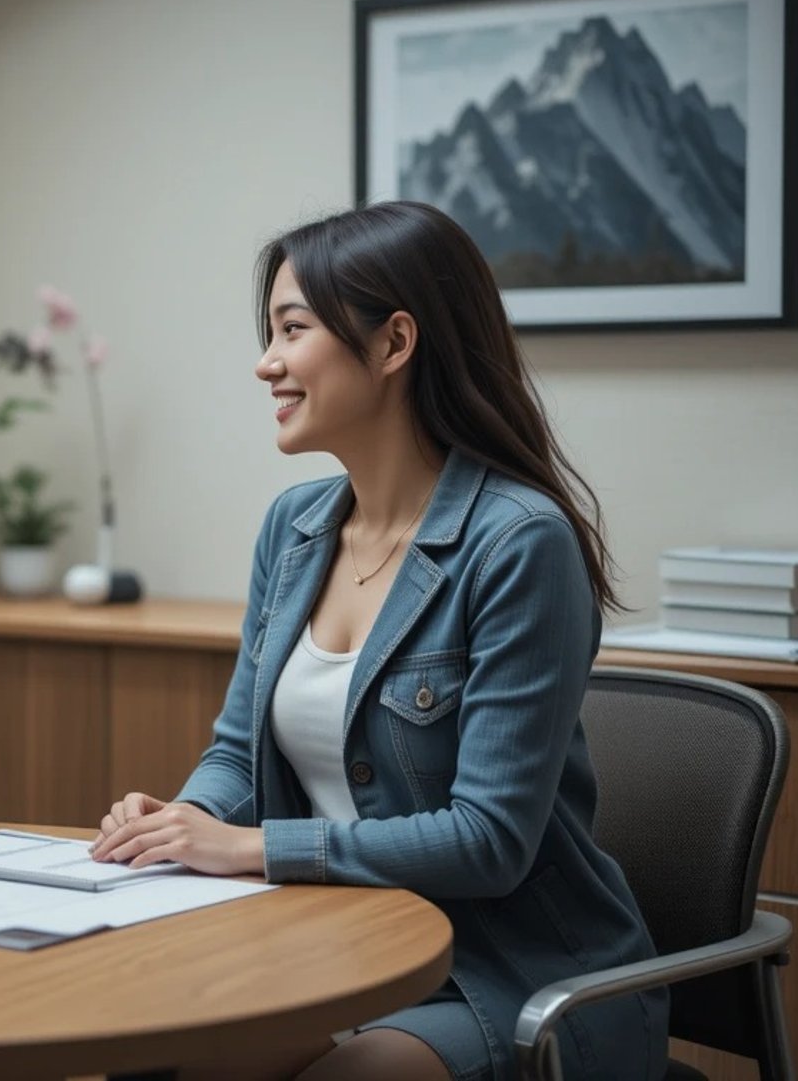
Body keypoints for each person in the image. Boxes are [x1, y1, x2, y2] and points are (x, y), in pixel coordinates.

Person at [90, 201, 667, 1081]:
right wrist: (188, 819)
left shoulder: (519, 541)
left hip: (508, 978)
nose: (266, 363)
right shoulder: (293, 529)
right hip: (333, 950)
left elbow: (488, 839)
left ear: (395, 344)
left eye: (292, 329)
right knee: (154, 1056)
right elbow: (237, 752)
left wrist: (248, 849)